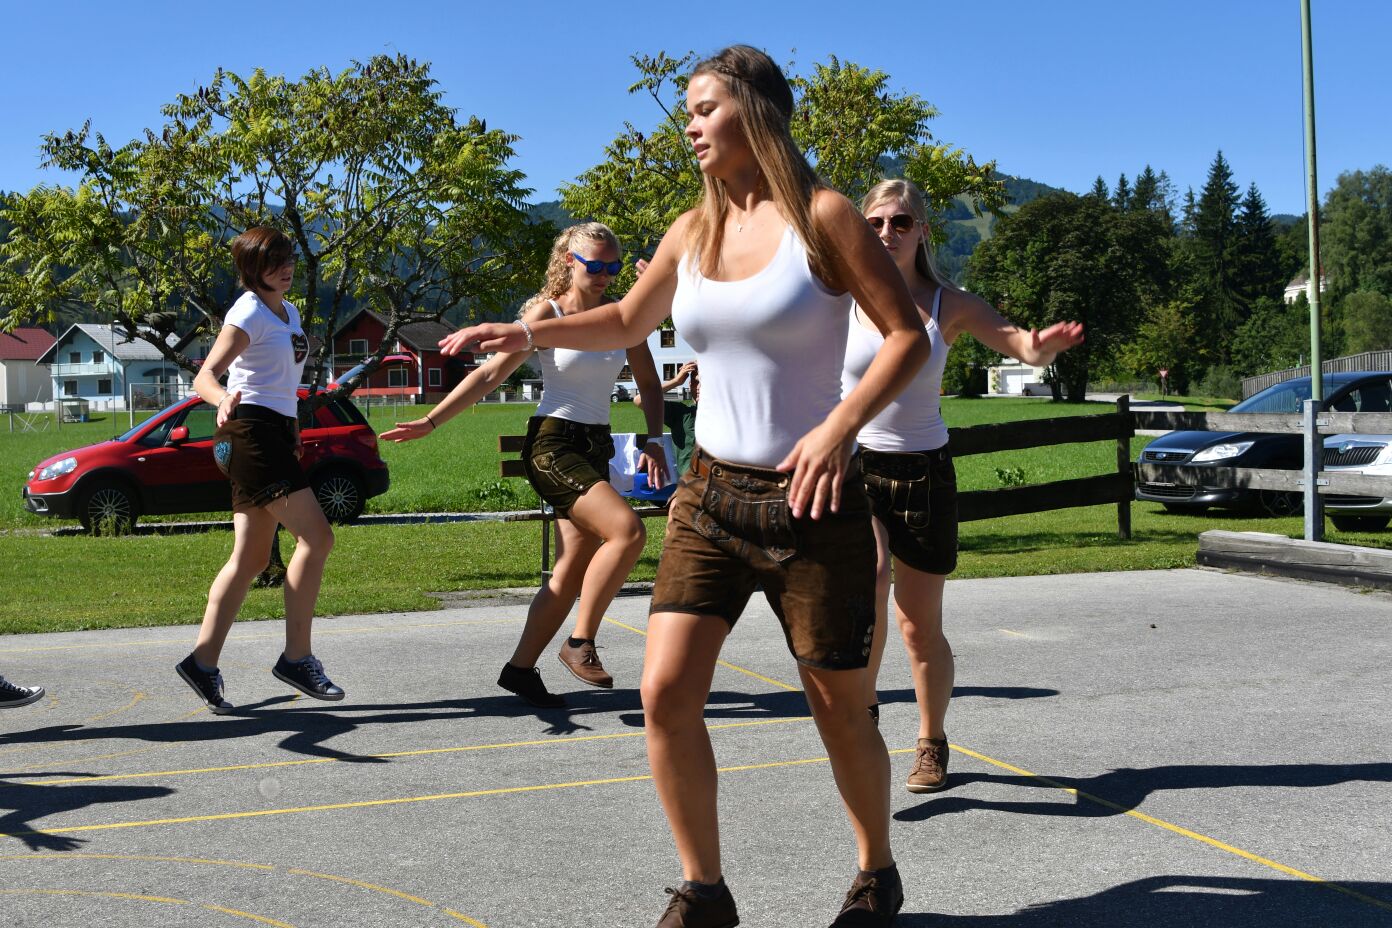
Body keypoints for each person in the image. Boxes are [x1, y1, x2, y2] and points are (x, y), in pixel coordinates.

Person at [443, 45, 930, 928]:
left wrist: (839, 428)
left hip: (813, 504)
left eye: (705, 108)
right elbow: (629, 319)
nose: (690, 124)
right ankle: (704, 892)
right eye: (689, 111)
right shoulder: (691, 230)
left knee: (839, 710)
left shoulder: (823, 217)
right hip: (710, 495)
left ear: (756, 110)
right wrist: (524, 334)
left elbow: (906, 336)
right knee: (665, 695)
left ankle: (876, 872)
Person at [844, 179, 1083, 792]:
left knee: (918, 626)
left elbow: (1020, 346)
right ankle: (863, 719)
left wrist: (1040, 349)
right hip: (858, 465)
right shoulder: (839, 295)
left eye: (900, 222)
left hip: (923, 473)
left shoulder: (949, 304)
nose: (887, 233)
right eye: (875, 222)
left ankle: (931, 741)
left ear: (923, 231)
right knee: (869, 584)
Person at [384, 222, 668, 707]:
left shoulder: (623, 316)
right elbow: (490, 375)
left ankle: (519, 670)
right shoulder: (547, 314)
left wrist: (656, 439)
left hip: (594, 445)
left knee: (572, 565)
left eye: (613, 266)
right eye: (594, 265)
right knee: (627, 532)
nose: (604, 275)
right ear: (569, 261)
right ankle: (580, 642)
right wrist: (431, 421)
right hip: (553, 444)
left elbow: (650, 384)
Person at [176, 226, 342, 714]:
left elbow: (280, 381)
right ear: (252, 269)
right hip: (249, 433)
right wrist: (222, 398)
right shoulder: (247, 311)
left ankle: (202, 663)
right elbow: (205, 376)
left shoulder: (288, 312)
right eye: (273, 262)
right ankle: (297, 658)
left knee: (250, 559)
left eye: (288, 259)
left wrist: (293, 427)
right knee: (317, 538)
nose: (285, 269)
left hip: (274, 433)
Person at [634, 359, 699, 482]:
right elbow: (640, 400)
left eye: (705, 383)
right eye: (696, 382)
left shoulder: (724, 413)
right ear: (690, 385)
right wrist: (676, 381)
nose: (700, 387)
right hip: (689, 485)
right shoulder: (682, 413)